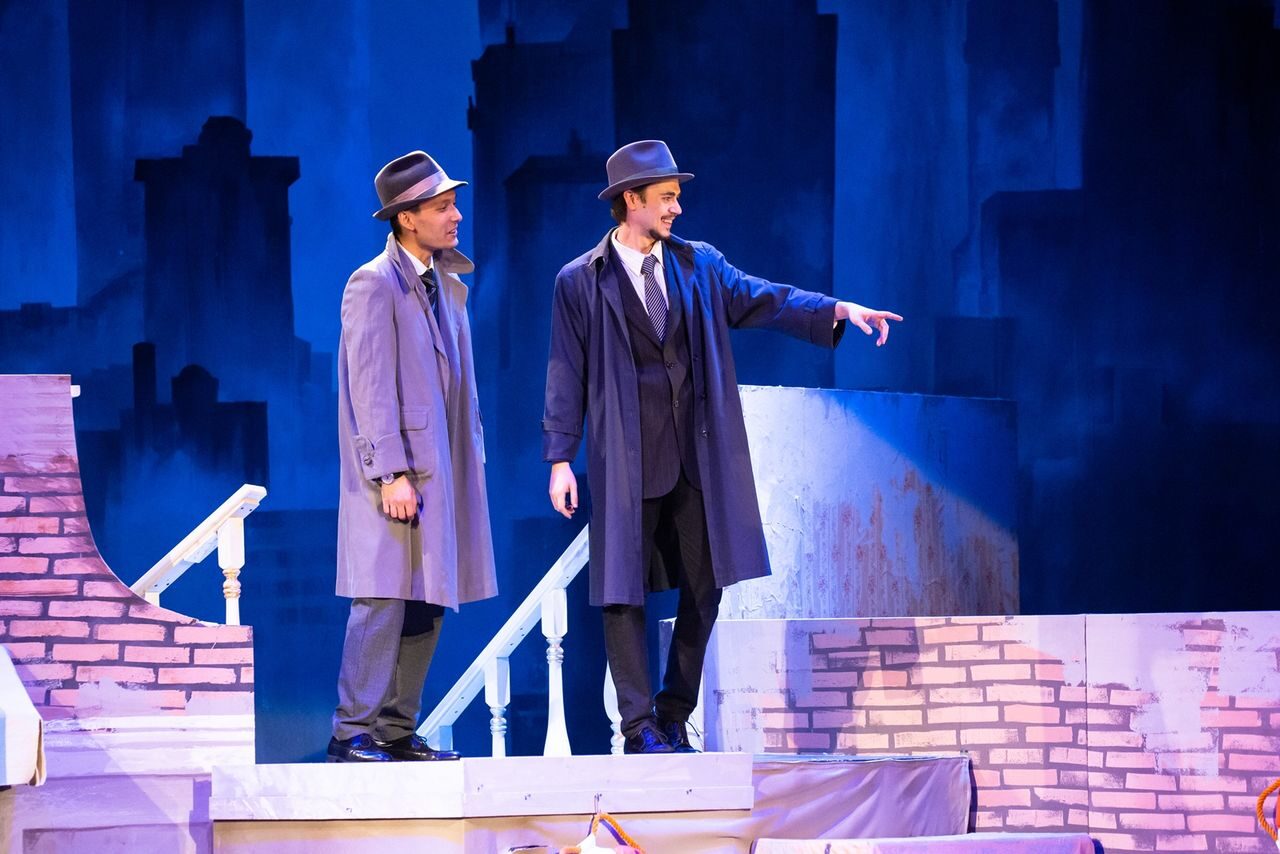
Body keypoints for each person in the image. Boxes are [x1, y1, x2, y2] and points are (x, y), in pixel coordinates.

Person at [542, 139, 902, 754]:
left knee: (706, 580)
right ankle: (637, 726)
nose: (676, 207)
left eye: (676, 196)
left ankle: (672, 711)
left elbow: (767, 298)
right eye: (666, 197)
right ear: (631, 201)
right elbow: (564, 371)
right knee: (621, 590)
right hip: (626, 459)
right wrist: (560, 459)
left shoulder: (699, 264)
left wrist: (838, 309)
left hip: (696, 455)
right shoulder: (581, 280)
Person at [328, 151, 497, 762]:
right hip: (395, 474)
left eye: (453, 204)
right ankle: (351, 731)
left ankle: (396, 729)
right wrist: (391, 472)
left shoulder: (445, 284)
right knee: (381, 596)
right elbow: (370, 387)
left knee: (429, 597)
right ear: (407, 218)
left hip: (441, 469)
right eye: (442, 207)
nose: (456, 216)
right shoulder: (373, 283)